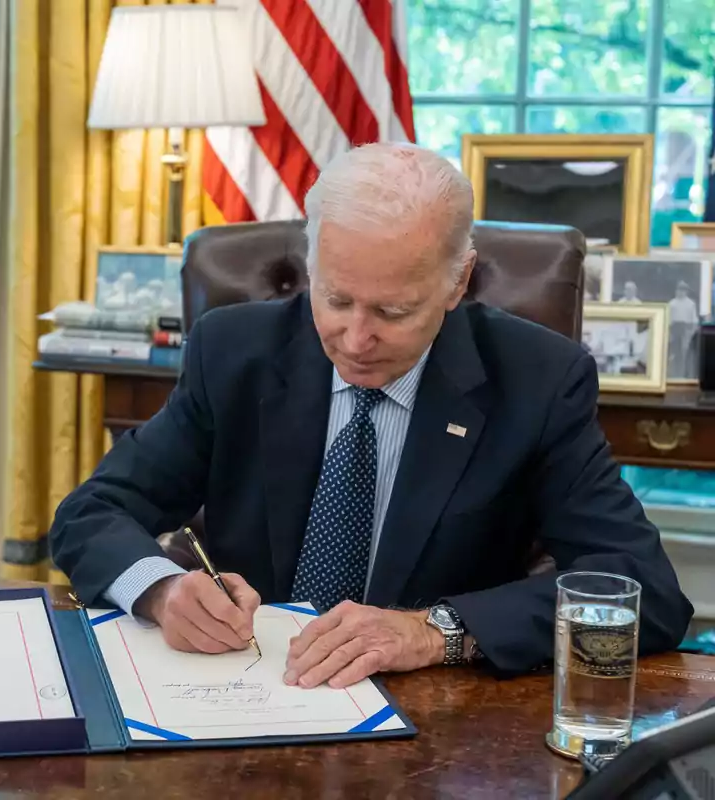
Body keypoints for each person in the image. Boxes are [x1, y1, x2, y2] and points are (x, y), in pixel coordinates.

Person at [48, 142, 692, 688]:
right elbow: (92, 513)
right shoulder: (235, 351)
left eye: (393, 312)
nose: (355, 339)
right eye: (336, 298)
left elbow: (645, 593)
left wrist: (435, 632)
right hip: (245, 692)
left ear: (457, 281)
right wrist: (160, 589)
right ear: (312, 264)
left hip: (431, 724)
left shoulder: (537, 381)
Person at [668, 280, 699, 379]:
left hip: (686, 329)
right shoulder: (672, 303)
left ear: (686, 291)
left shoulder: (690, 304)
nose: (680, 292)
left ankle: (685, 373)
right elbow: (669, 319)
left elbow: (694, 319)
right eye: (679, 290)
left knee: (685, 353)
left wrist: (691, 331)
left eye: (683, 290)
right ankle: (674, 373)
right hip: (674, 328)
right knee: (674, 353)